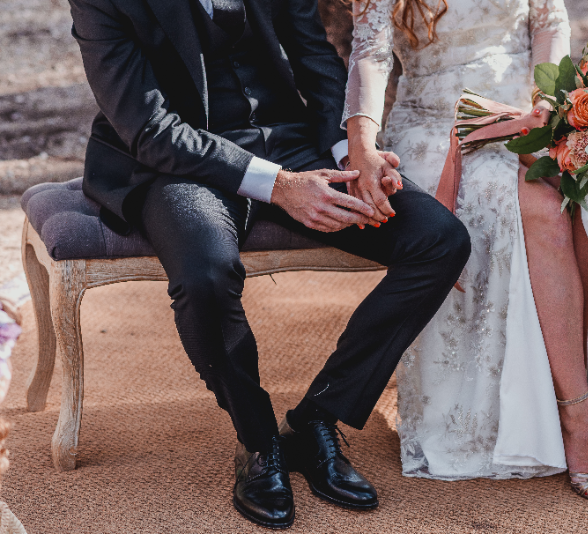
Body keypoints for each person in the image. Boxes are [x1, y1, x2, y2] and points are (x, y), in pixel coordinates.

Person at [67, 0, 471, 528]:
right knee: (205, 275)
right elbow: (148, 129)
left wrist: (351, 153)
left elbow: (317, 61)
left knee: (437, 239)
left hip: (292, 146)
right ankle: (258, 442)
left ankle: (316, 419)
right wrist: (279, 187)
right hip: (175, 166)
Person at [344, 0, 588, 505]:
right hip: (437, 128)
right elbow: (371, 56)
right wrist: (362, 144)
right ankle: (577, 416)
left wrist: (552, 120)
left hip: (524, 115)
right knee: (538, 211)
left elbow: (550, 27)